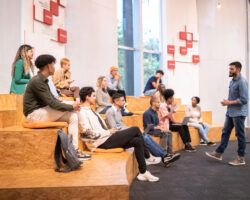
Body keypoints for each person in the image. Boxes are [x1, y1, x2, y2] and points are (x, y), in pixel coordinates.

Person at [78, 87, 160, 182]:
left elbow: (100, 127)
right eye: (93, 96)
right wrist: (108, 132)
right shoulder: (82, 112)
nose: (95, 98)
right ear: (87, 97)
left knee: (137, 141)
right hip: (100, 142)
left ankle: (143, 172)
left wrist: (109, 131)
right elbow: (87, 133)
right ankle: (148, 156)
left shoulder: (91, 110)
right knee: (136, 129)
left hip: (106, 137)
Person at [23, 54, 90, 161]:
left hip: (42, 112)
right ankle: (86, 131)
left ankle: (74, 150)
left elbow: (53, 101)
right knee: (72, 109)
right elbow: (52, 104)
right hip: (34, 115)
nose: (55, 67)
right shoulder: (37, 81)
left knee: (73, 116)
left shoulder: (43, 80)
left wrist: (71, 107)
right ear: (48, 66)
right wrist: (71, 106)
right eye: (53, 64)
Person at [105, 93, 181, 167]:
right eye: (122, 100)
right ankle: (164, 156)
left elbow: (121, 125)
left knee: (145, 136)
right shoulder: (110, 112)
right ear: (116, 101)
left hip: (123, 133)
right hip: (117, 136)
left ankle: (165, 156)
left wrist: (130, 128)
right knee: (143, 136)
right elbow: (114, 128)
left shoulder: (118, 111)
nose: (124, 102)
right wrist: (131, 129)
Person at [206, 61, 248, 166]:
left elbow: (244, 100)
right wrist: (228, 103)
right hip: (230, 112)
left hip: (239, 113)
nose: (229, 71)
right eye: (229, 69)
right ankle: (218, 153)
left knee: (240, 135)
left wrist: (228, 102)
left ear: (238, 69)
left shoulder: (242, 82)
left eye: (231, 69)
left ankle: (241, 158)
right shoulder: (232, 81)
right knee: (225, 132)